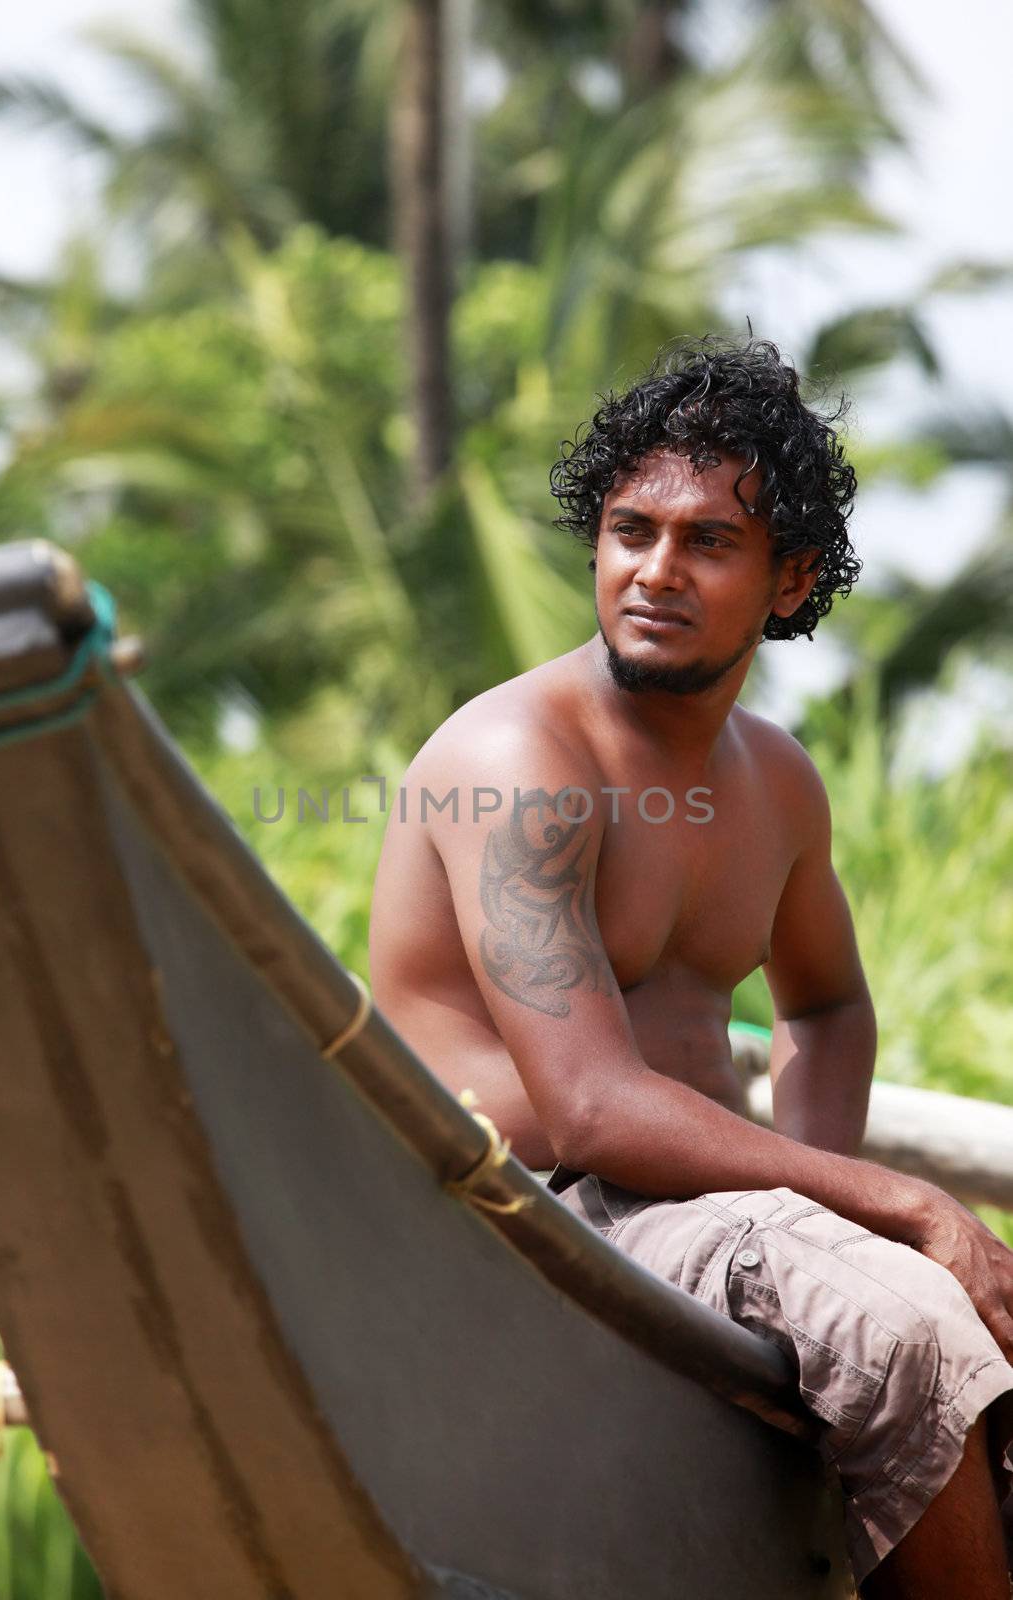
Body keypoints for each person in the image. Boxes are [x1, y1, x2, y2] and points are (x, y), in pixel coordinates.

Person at [368, 335, 1013, 1597]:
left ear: (789, 581)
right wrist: (892, 1202)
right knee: (904, 1322)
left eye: (707, 542)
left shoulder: (774, 780)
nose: (653, 571)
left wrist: (827, 1200)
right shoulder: (520, 756)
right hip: (521, 1211)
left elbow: (824, 1005)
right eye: (628, 531)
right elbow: (589, 1108)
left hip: (700, 1214)